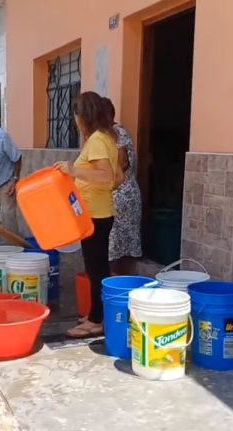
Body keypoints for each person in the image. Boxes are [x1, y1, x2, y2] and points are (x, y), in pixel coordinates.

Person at [53, 91, 124, 338]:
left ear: (84, 115)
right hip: (99, 212)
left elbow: (106, 176)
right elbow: (118, 177)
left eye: (76, 114)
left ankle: (95, 321)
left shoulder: (96, 141)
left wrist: (73, 171)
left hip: (95, 216)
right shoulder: (106, 138)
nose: (75, 119)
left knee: (96, 269)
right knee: (97, 267)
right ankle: (97, 313)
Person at [102, 97, 142, 275]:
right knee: (115, 247)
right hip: (117, 196)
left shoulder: (118, 132)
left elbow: (123, 163)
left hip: (122, 196)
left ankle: (118, 284)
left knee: (118, 248)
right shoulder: (109, 134)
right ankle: (116, 282)